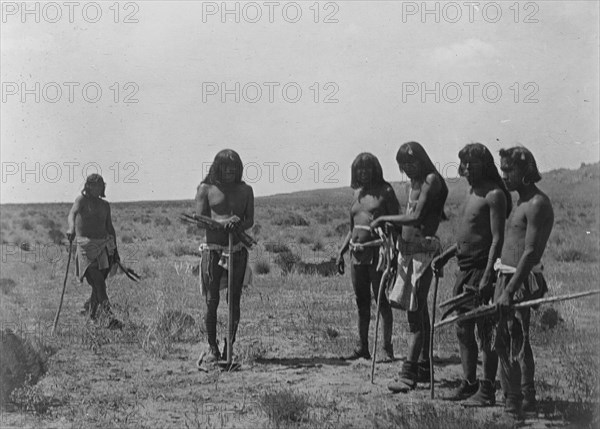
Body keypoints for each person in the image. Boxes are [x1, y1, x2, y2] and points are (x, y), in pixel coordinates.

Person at [432, 143, 510, 405]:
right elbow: (468, 236)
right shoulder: (470, 192)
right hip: (464, 269)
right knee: (463, 328)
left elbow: (496, 240)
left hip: (481, 269)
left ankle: (486, 390)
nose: (465, 168)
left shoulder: (494, 195)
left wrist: (488, 274)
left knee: (484, 329)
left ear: (485, 164)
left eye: (471, 163)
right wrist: (446, 255)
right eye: (463, 163)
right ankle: (469, 383)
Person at [371, 142, 448, 392]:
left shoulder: (431, 180)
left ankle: (408, 374)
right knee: (418, 310)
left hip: (423, 252)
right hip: (407, 251)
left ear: (422, 160)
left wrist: (384, 218)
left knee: (415, 316)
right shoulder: (412, 184)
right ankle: (424, 366)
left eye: (411, 163)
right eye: (403, 165)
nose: (407, 168)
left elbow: (416, 218)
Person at [494, 146, 553, 416]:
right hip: (506, 275)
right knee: (505, 337)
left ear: (526, 170)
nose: (504, 174)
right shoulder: (518, 201)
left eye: (509, 169)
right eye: (502, 169)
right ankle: (517, 396)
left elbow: (530, 252)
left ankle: (520, 399)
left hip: (520, 280)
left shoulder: (537, 203)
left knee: (516, 337)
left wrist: (510, 290)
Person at [336, 153, 400, 361]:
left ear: (376, 169)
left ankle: (386, 349)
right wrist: (341, 252)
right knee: (361, 301)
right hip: (356, 254)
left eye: (367, 168)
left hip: (378, 253)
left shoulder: (386, 191)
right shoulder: (357, 194)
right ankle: (362, 347)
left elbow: (396, 224)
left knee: (381, 299)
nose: (363, 172)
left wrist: (395, 254)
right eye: (359, 169)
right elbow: (352, 228)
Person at [195, 149, 254, 362]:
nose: (229, 171)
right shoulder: (206, 189)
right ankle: (212, 348)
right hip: (212, 249)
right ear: (217, 167)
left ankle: (229, 346)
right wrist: (221, 223)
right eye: (225, 167)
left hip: (236, 249)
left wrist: (238, 223)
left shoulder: (246, 190)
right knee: (211, 300)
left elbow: (249, 220)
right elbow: (200, 219)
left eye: (234, 167)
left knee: (234, 300)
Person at [67, 174, 122, 329]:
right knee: (98, 282)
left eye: (100, 185)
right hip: (85, 247)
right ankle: (110, 317)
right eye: (94, 185)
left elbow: (110, 228)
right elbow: (72, 214)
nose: (98, 188)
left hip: (103, 246)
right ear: (88, 186)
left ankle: (91, 315)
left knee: (99, 284)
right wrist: (71, 228)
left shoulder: (105, 205)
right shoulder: (81, 200)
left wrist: (115, 250)